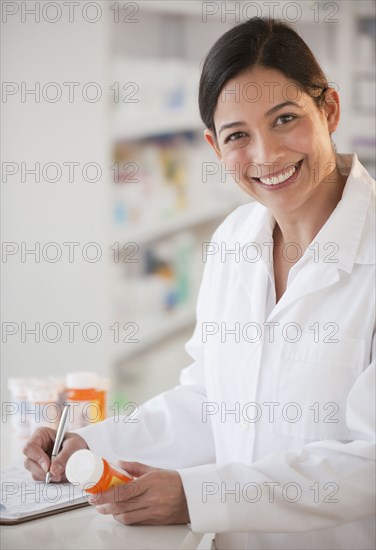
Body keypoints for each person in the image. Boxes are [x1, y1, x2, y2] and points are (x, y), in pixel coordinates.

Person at [23, 17, 375, 550]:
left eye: (285, 118)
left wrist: (199, 495)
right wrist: (87, 445)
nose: (267, 155)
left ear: (328, 109)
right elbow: (210, 400)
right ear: (215, 147)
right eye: (238, 135)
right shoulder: (234, 240)